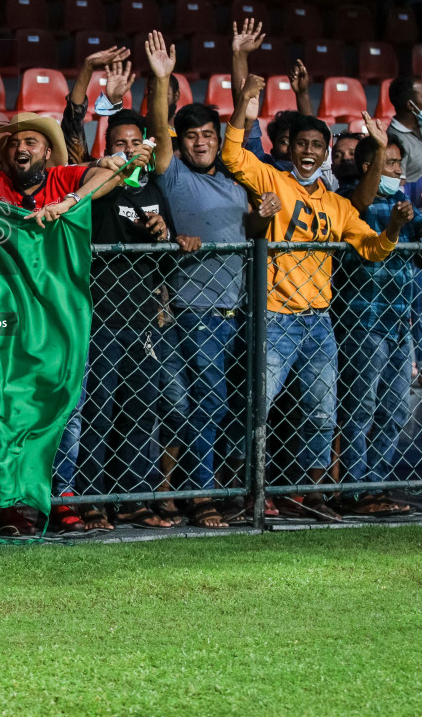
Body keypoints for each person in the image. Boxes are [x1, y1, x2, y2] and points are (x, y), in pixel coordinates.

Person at [225, 25, 406, 521]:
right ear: (291, 148)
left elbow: (371, 250)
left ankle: (304, 494)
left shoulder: (336, 203)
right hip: (276, 316)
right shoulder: (274, 180)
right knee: (257, 409)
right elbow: (231, 155)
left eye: (317, 146)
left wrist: (390, 226)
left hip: (318, 322)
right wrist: (244, 104)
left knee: (322, 417)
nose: (308, 151)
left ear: (327, 153)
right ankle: (248, 494)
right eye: (302, 143)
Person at [146, 31, 279, 526]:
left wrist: (260, 218)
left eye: (208, 135)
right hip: (195, 310)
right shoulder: (173, 174)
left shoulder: (233, 177)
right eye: (191, 137)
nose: (200, 143)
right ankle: (199, 495)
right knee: (204, 404)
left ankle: (209, 490)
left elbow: (245, 112)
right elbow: (158, 129)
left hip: (241, 310)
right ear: (181, 143)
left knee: (223, 406)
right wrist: (161, 81)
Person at [49, 109, 175, 534]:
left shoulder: (155, 190)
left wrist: (163, 234)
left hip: (142, 320)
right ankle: (90, 499)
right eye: (118, 144)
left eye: (134, 142)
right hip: (100, 317)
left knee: (140, 413)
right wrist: (114, 171)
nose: (128, 150)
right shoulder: (101, 186)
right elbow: (88, 195)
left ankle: (132, 499)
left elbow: (167, 260)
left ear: (147, 145)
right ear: (108, 150)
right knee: (98, 412)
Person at [332, 134, 422, 516]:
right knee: (360, 408)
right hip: (363, 323)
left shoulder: (404, 205)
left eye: (398, 164)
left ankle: (375, 486)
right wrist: (396, 225)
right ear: (370, 168)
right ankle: (354, 491)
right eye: (392, 163)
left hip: (399, 324)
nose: (399, 171)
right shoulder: (350, 204)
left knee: (394, 410)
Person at [0, 113, 126, 216]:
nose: (21, 149)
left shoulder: (60, 178)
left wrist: (69, 202)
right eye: (14, 144)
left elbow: (110, 176)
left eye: (30, 143)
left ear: (47, 152)